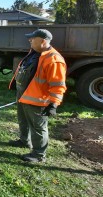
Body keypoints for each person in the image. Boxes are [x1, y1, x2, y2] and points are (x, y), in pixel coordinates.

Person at [8, 29, 67, 163]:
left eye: (32, 38)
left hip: (37, 101)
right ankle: (24, 141)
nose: (30, 40)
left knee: (38, 128)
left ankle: (39, 154)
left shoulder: (54, 59)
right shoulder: (35, 53)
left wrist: (54, 103)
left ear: (43, 41)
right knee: (23, 120)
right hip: (23, 96)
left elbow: (58, 84)